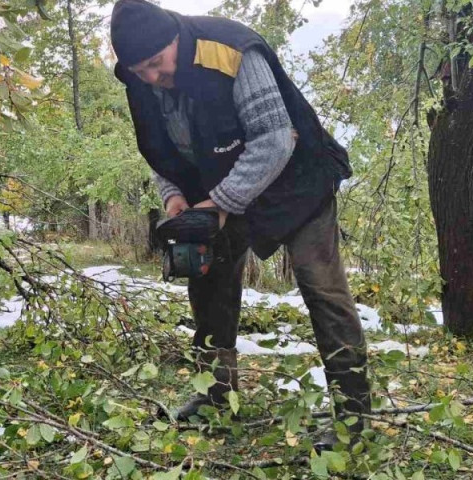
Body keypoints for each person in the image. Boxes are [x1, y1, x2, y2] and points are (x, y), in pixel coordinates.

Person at [110, 0, 370, 451]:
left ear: (175, 40)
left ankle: (354, 416)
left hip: (296, 181)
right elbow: (157, 147)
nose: (152, 77)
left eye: (157, 64)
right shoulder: (139, 78)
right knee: (206, 282)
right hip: (220, 186)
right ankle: (216, 396)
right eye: (140, 70)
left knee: (322, 288)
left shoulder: (230, 50)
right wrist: (173, 196)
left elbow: (274, 139)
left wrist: (221, 202)